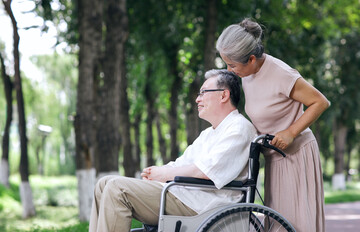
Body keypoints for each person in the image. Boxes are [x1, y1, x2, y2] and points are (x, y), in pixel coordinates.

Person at [88, 69, 257, 232]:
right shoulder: (209, 133)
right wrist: (157, 173)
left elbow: (207, 171)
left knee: (116, 188)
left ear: (223, 95)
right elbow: (182, 163)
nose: (197, 99)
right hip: (184, 195)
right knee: (103, 183)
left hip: (204, 205)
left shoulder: (239, 128)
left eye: (203, 93)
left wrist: (165, 175)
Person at [216, 18, 330, 232]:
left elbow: (320, 102)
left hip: (296, 155)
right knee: (278, 223)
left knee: (296, 223)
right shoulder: (248, 73)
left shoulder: (281, 73)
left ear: (251, 59)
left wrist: (291, 132)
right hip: (274, 157)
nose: (230, 71)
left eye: (232, 65)